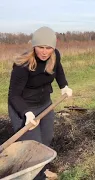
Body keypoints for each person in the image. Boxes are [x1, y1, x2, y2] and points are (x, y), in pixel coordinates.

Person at [8, 26, 72, 180]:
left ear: (53, 47)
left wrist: (64, 85)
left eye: (48, 47)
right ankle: (37, 177)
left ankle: (42, 170)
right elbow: (14, 95)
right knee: (33, 146)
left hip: (45, 104)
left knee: (47, 139)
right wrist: (27, 113)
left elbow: (59, 70)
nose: (44, 51)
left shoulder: (54, 56)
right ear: (34, 46)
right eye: (40, 47)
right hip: (23, 108)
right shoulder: (22, 65)